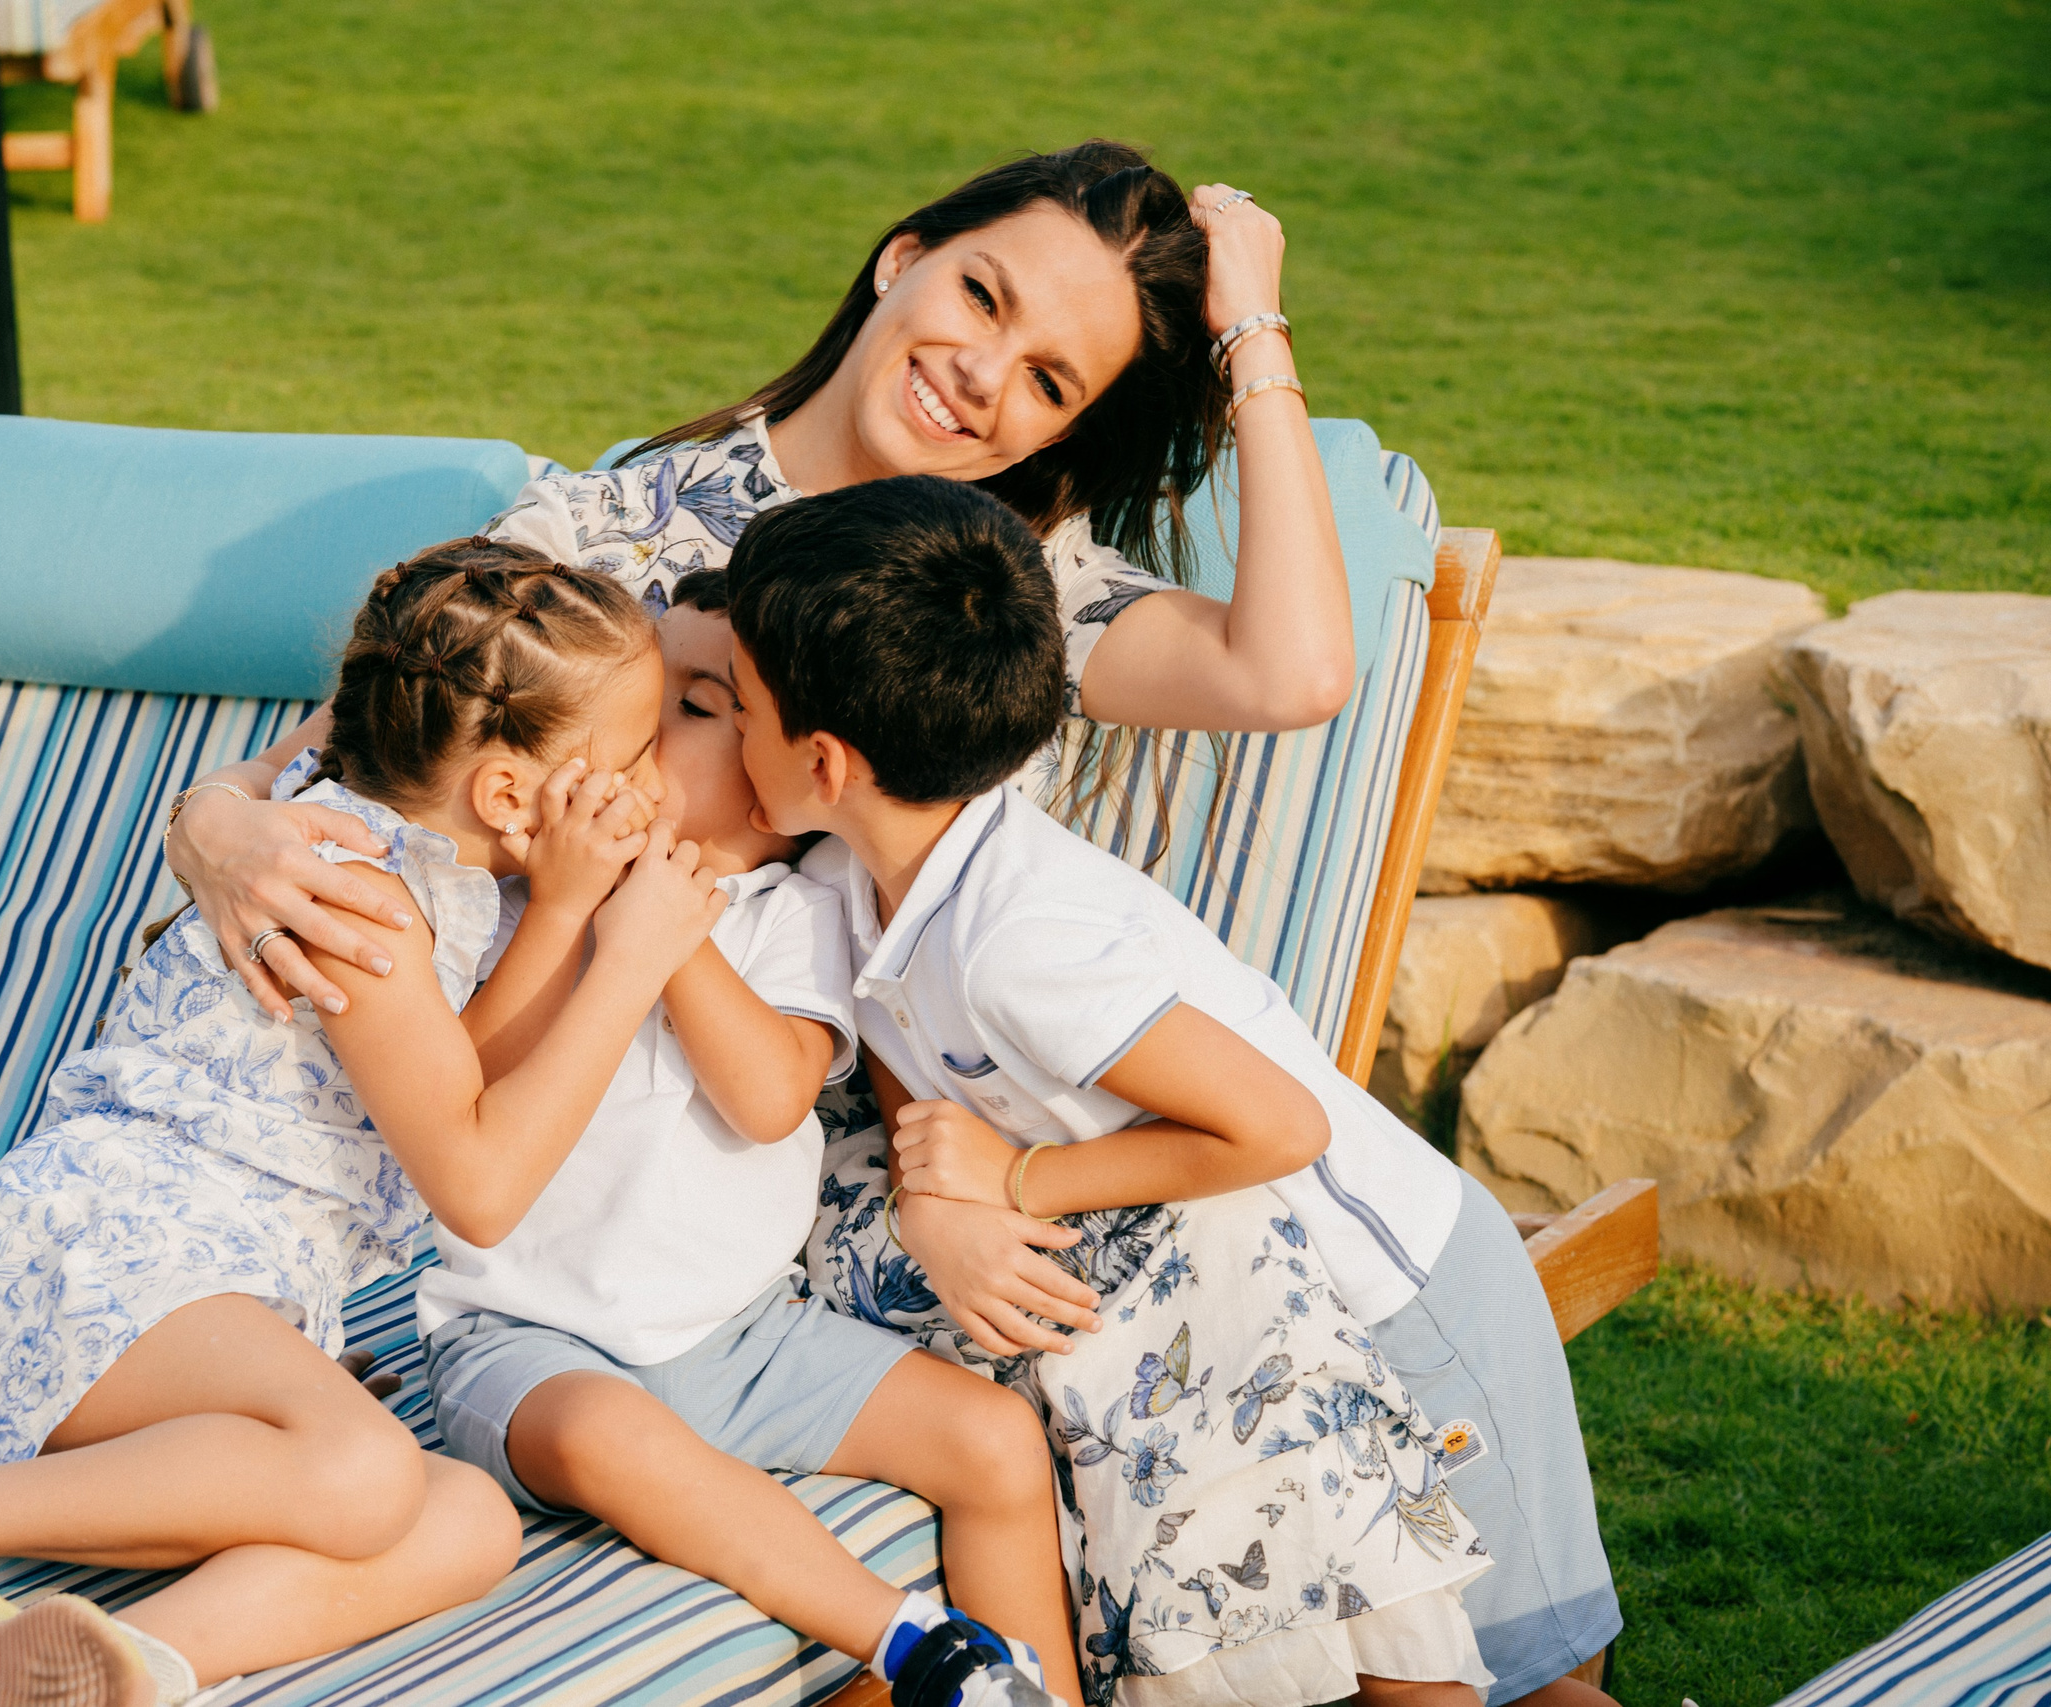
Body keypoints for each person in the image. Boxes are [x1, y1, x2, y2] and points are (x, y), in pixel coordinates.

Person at [0, 541, 725, 1707]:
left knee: (466, 1518)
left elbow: (450, 1079)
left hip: (197, 1291)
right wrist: (621, 959)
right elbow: (476, 1185)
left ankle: (100, 1670)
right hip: (110, 1253)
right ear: (507, 795)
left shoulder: (411, 835)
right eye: (639, 749)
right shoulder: (353, 892)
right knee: (370, 1475)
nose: (657, 775)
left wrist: (564, 909)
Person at [724, 477, 1622, 1707]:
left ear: (824, 761)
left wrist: (1018, 1178)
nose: (724, 729)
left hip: (1395, 1295)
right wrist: (937, 1193)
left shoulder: (1019, 944)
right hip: (1254, 1309)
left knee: (1520, 1681)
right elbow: (903, 1041)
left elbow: (1276, 1125)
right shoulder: (867, 876)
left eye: (736, 706)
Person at [159, 140, 1356, 1026]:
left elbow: (1293, 674)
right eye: (980, 296)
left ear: (1062, 433)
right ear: (901, 259)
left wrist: (1254, 327)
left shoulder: (1019, 595)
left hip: (828, 1144)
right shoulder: (611, 523)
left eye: (1049, 382)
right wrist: (211, 824)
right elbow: (343, 754)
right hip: (497, 1080)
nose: (982, 374)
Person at [419, 570, 1079, 1707]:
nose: (634, 730)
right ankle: (918, 1649)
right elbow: (465, 1086)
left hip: (743, 1340)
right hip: (525, 1340)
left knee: (994, 1439)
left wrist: (666, 924)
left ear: (782, 779)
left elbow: (771, 1097)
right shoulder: (531, 896)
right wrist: (580, 905)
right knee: (606, 1438)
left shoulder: (799, 913)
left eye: (687, 705)